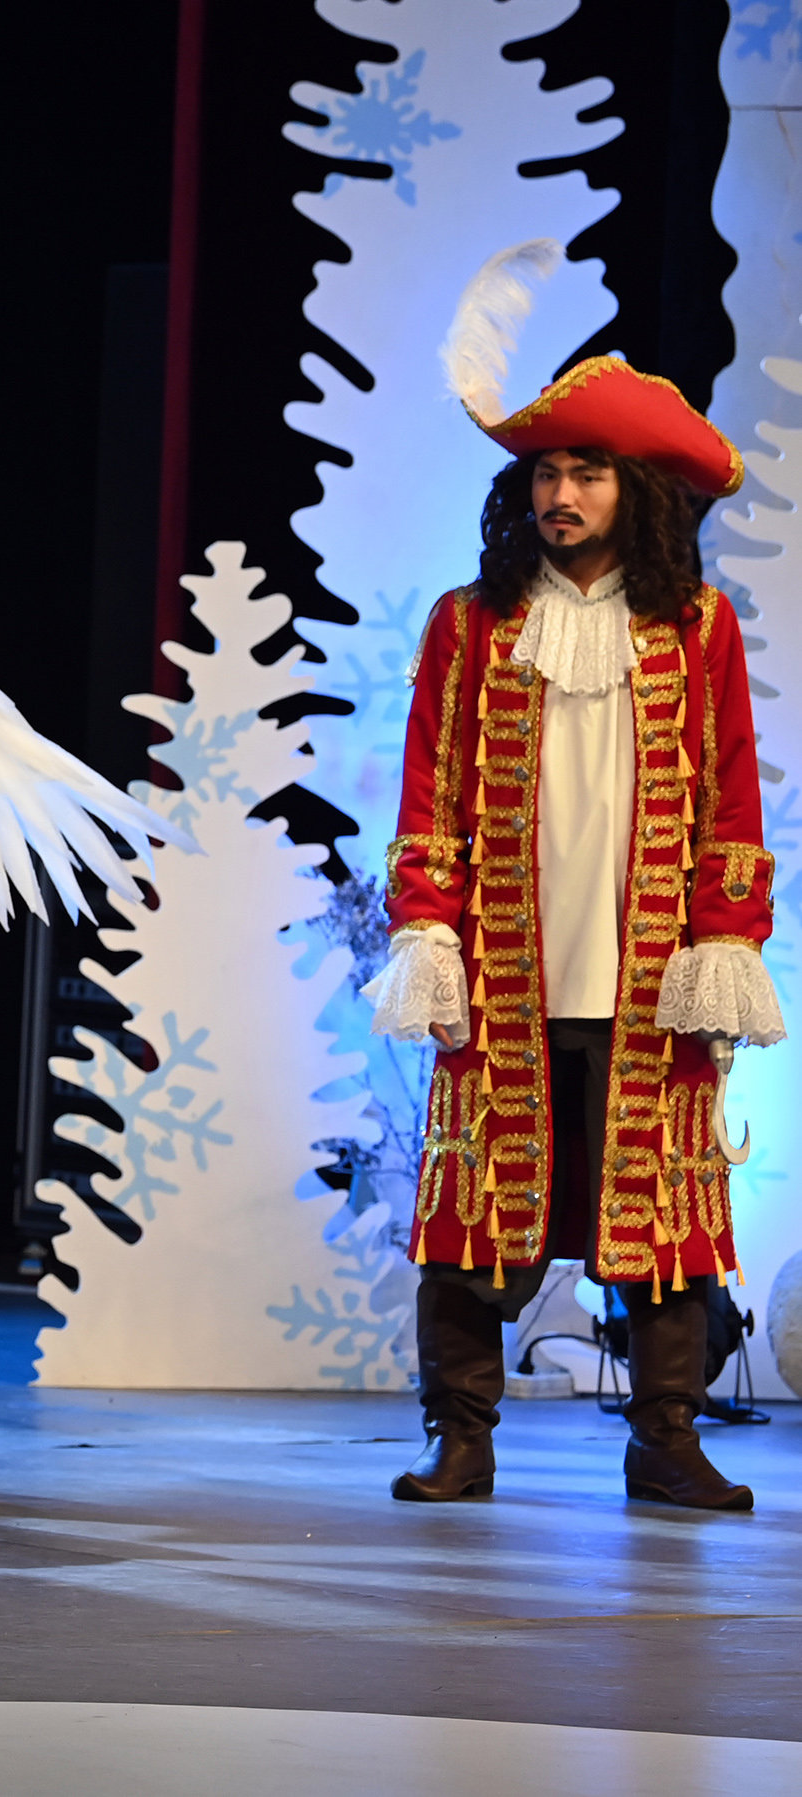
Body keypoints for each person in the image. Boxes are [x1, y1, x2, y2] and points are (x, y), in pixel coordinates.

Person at [365, 245, 782, 1511]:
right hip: (504, 978)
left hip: (649, 980)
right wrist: (427, 928)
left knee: (664, 1220)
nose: (560, 493)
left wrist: (726, 938)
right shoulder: (471, 622)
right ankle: (461, 1438)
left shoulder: (698, 629)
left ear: (632, 490)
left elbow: (732, 792)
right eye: (545, 472)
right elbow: (430, 786)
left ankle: (665, 1441)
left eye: (586, 472)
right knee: (471, 1210)